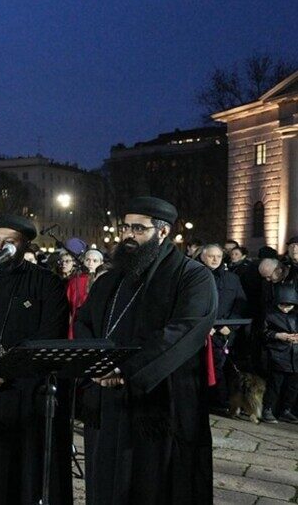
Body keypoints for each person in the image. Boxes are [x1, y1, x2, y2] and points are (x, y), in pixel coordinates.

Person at [74, 196, 217, 505]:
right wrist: (96, 364)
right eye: (125, 227)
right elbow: (83, 321)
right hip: (107, 398)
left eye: (138, 228)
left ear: (162, 232)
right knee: (106, 482)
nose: (128, 235)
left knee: (154, 485)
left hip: (161, 401)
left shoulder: (192, 276)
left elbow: (182, 332)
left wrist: (126, 370)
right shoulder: (109, 279)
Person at [0, 213, 72, 505]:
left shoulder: (48, 284)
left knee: (26, 475)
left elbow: (48, 334)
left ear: (24, 246)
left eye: (9, 242)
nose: (0, 246)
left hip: (27, 393)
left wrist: (6, 366)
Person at [199, 244, 246, 409]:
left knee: (220, 366)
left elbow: (240, 304)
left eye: (218, 256)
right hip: (202, 331)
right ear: (202, 257)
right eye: (211, 256)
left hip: (224, 332)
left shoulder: (232, 278)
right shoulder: (194, 276)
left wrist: (230, 326)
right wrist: (203, 326)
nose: (214, 259)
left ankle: (220, 401)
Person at [262, 283, 298, 423]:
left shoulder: (295, 315)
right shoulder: (270, 314)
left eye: (289, 305)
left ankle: (286, 410)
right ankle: (268, 408)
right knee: (275, 384)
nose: (286, 308)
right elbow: (262, 333)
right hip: (278, 353)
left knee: (293, 385)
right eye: (283, 305)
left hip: (294, 355)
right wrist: (277, 335)